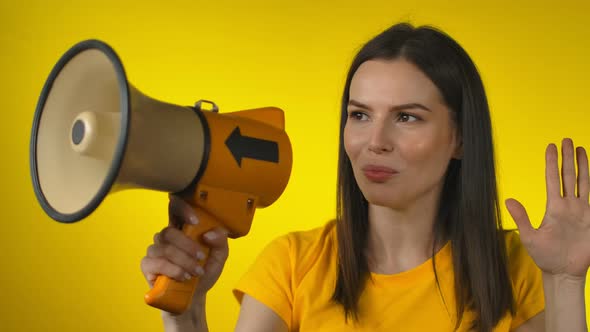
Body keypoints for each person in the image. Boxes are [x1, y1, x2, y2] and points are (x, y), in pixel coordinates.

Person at [140, 23, 589, 331]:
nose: (375, 141)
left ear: (461, 139)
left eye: (408, 118)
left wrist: (567, 284)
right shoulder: (292, 266)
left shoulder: (516, 268)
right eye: (359, 114)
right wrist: (187, 314)